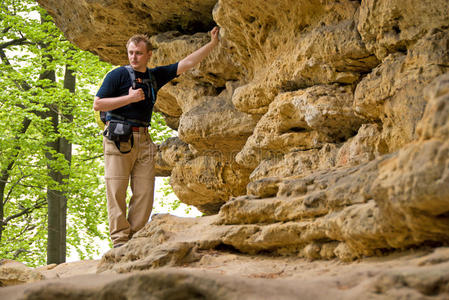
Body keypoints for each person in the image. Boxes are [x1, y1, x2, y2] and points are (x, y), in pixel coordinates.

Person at [94, 27, 220, 248]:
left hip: (143, 139)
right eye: (131, 52)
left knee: (144, 192)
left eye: (139, 53)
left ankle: (135, 240)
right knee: (116, 192)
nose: (134, 57)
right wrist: (129, 98)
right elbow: (99, 103)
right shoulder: (118, 75)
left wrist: (212, 44)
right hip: (118, 139)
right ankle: (120, 242)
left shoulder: (154, 76)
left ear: (148, 55)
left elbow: (187, 64)